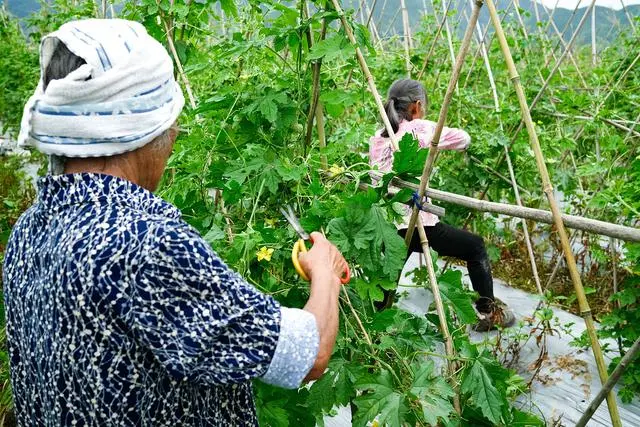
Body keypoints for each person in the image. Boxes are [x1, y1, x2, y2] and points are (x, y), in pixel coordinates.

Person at [2, 19, 347, 426]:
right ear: (145, 131)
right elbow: (307, 354)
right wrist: (323, 274)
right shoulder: (146, 244)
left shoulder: (30, 230)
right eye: (171, 122)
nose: (176, 135)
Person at [369, 78, 515, 331]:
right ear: (416, 107)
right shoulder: (421, 129)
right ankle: (487, 311)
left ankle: (372, 330)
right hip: (416, 225)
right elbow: (464, 139)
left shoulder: (379, 137)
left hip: (385, 225)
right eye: (422, 107)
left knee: (387, 280)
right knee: (475, 247)